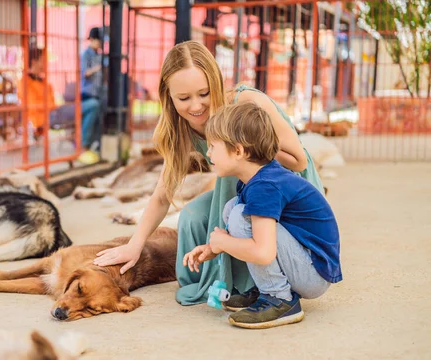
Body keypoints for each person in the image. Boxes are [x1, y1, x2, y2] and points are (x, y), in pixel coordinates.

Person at [93, 40, 324, 306]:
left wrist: (243, 147)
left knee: (229, 188)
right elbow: (162, 194)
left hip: (285, 193)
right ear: (168, 95)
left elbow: (297, 162)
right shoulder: (181, 127)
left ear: (215, 83)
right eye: (184, 98)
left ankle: (258, 286)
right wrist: (134, 245)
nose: (196, 106)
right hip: (242, 189)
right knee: (191, 215)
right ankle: (206, 280)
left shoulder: (246, 102)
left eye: (204, 93)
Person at [183, 102, 341, 328]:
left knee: (239, 215)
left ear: (238, 151)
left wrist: (224, 242)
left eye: (212, 147)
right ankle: (269, 288)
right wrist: (213, 247)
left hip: (313, 274)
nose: (208, 154)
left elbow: (263, 252)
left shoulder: (264, 186)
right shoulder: (258, 179)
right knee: (233, 209)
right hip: (304, 262)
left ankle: (279, 298)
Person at [17, 49, 101, 151]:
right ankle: (83, 145)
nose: (46, 63)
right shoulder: (25, 83)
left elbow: (51, 100)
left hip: (54, 111)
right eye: (43, 60)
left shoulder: (43, 81)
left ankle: (82, 142)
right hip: (46, 116)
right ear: (34, 61)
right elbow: (35, 105)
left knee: (90, 106)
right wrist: (55, 105)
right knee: (92, 105)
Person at [78, 26, 106, 164]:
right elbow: (85, 73)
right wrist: (98, 68)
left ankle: (94, 144)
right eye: (99, 41)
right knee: (93, 107)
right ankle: (84, 145)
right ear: (93, 39)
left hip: (98, 95)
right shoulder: (85, 55)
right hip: (85, 96)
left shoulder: (100, 55)